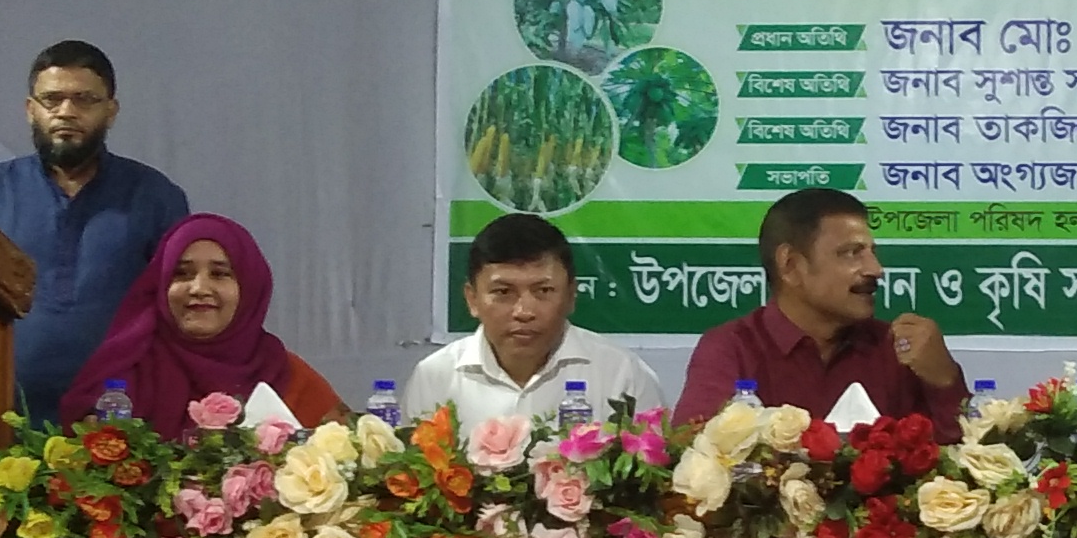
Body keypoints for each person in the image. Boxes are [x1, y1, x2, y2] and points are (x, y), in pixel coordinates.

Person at [0, 42, 190, 419]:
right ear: (30, 109)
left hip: (119, 418)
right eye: (52, 100)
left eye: (84, 100)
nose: (66, 112)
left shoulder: (155, 196)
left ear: (111, 111)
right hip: (1, 414)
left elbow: (176, 312)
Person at [675, 187, 964, 434]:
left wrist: (944, 379)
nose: (875, 270)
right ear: (791, 265)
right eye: (851, 253)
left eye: (872, 253)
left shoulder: (894, 348)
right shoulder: (731, 349)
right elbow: (696, 455)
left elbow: (965, 462)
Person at [55, 213, 342, 429]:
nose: (199, 288)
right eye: (182, 274)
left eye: (220, 274)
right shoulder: (122, 374)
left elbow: (342, 460)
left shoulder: (287, 374)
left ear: (250, 288)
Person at [399, 213, 665, 432]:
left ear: (571, 296)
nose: (524, 312)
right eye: (503, 292)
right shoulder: (434, 378)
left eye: (543, 291)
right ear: (472, 299)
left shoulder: (621, 375)